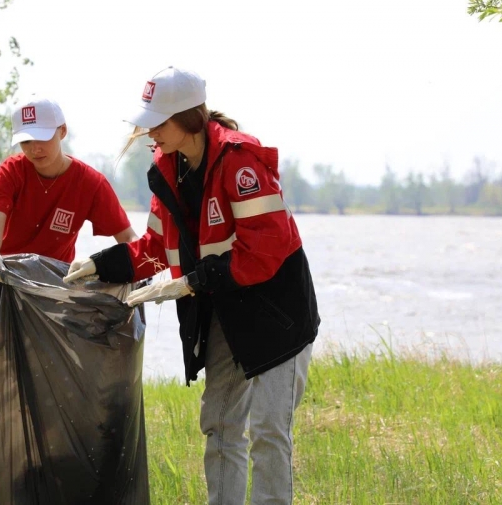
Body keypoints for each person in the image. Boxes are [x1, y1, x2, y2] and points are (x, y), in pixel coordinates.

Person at [64, 67, 319, 504]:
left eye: (157, 122)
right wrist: (100, 264)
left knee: (269, 430)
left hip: (278, 314)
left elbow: (267, 248)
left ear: (189, 117)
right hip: (222, 308)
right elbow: (156, 247)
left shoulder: (240, 161)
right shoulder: (168, 170)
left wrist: (192, 283)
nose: (149, 132)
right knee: (219, 424)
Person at [0, 95, 137, 479]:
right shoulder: (11, 172)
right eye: (25, 141)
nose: (34, 149)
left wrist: (134, 274)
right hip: (1, 282)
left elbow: (129, 239)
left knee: (49, 390)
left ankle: (42, 478)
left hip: (50, 295)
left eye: (42, 138)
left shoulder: (90, 183)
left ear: (63, 132)